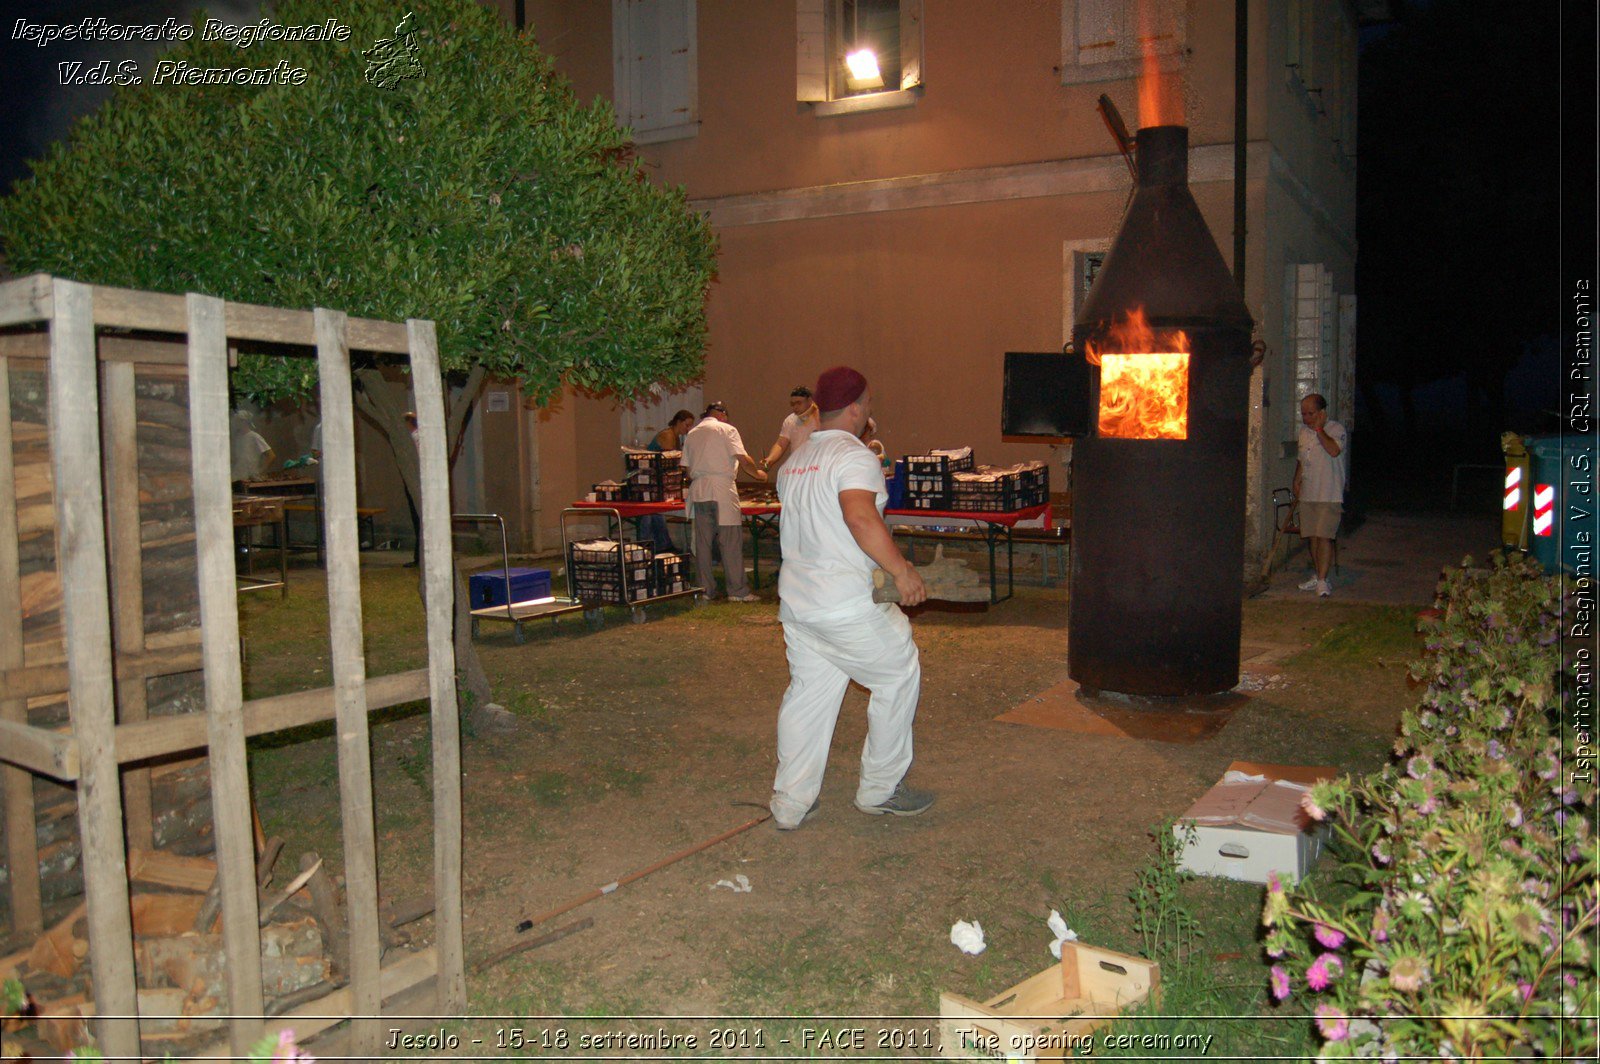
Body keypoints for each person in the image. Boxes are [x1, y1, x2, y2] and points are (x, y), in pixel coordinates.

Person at [769, 366, 932, 831]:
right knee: (898, 673)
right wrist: (901, 571)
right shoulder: (854, 456)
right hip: (844, 604)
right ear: (858, 406)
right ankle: (881, 789)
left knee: (809, 695)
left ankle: (790, 802)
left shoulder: (795, 460)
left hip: (799, 605)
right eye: (869, 403)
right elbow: (860, 518)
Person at [681, 401, 766, 602]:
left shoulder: (692, 434)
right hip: (722, 490)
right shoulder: (727, 430)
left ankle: (704, 589)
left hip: (700, 490)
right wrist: (759, 475)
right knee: (730, 542)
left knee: (703, 543)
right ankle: (737, 591)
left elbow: (686, 468)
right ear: (722, 415)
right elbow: (744, 459)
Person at [1293, 393, 1348, 598]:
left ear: (1322, 412)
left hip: (1329, 493)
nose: (1306, 418)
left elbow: (1333, 450)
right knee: (1313, 537)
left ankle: (1323, 581)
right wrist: (1297, 479)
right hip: (1309, 492)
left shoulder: (1336, 429)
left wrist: (1319, 429)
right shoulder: (1303, 432)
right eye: (1303, 414)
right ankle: (1318, 575)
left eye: (1311, 413)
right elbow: (1302, 458)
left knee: (1325, 536)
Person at [638, 409, 696, 556]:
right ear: (678, 422)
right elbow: (671, 459)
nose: (688, 429)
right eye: (687, 425)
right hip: (650, 477)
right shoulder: (668, 435)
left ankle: (662, 544)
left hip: (659, 478)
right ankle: (649, 545)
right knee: (650, 513)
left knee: (656, 513)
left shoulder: (676, 437)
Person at [760, 386, 819, 472]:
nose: (795, 407)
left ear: (809, 400)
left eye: (799, 403)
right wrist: (770, 459)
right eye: (793, 404)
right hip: (797, 468)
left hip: (818, 467)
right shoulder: (790, 420)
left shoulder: (823, 418)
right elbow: (781, 444)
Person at [230, 409, 275, 486]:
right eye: (236, 421)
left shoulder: (255, 437)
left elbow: (271, 456)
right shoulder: (237, 438)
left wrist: (259, 471)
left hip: (250, 479)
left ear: (245, 422)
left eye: (239, 421)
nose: (236, 423)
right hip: (237, 477)